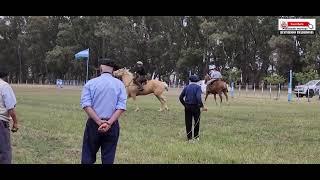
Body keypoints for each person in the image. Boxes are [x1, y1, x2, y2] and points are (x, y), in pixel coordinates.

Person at [80, 58, 127, 164]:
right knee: (108, 159)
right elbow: (121, 106)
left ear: (100, 68)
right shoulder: (119, 85)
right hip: (112, 125)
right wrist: (109, 123)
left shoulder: (91, 83)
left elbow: (86, 105)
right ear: (112, 70)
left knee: (88, 156)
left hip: (93, 124)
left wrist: (98, 122)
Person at [0, 67, 19, 164]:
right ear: (6, 76)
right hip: (1, 123)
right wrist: (15, 123)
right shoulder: (4, 86)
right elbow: (10, 108)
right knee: (4, 153)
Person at [179, 75, 204, 142]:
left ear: (190, 80)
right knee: (197, 122)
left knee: (188, 122)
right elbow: (198, 97)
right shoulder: (198, 87)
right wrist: (201, 106)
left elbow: (180, 97)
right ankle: (196, 137)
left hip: (187, 107)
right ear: (197, 81)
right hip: (196, 107)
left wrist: (185, 105)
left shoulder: (186, 87)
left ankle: (189, 138)